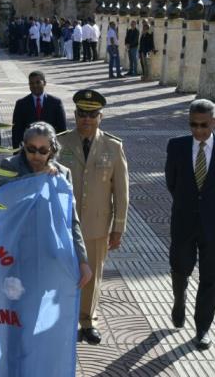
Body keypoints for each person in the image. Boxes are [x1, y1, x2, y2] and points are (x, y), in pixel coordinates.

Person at [165, 99, 215, 350]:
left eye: (203, 125)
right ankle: (179, 300)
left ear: (214, 122)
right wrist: (188, 204)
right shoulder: (176, 146)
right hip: (184, 221)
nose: (198, 131)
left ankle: (202, 328)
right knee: (179, 267)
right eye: (193, 125)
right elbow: (172, 182)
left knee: (210, 277)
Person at [57, 90, 129, 345]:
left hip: (97, 224)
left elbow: (121, 191)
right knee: (63, 273)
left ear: (100, 117)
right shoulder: (60, 144)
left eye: (91, 114)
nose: (86, 119)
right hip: (63, 224)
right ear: (75, 115)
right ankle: (63, 319)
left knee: (93, 275)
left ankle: (87, 321)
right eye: (81, 114)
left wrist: (118, 228)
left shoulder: (113, 146)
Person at [0, 122, 92, 280]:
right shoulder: (10, 166)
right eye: (31, 149)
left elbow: (71, 220)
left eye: (43, 151)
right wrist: (38, 177)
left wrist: (83, 261)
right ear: (24, 146)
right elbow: (4, 199)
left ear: (52, 150)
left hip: (48, 255)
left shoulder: (62, 174)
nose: (36, 156)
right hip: (15, 254)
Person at [11, 71, 66, 147]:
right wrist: (16, 152)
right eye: (31, 83)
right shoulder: (21, 104)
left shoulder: (56, 103)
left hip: (50, 149)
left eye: (38, 82)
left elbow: (62, 130)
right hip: (29, 150)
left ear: (44, 83)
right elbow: (16, 131)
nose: (35, 86)